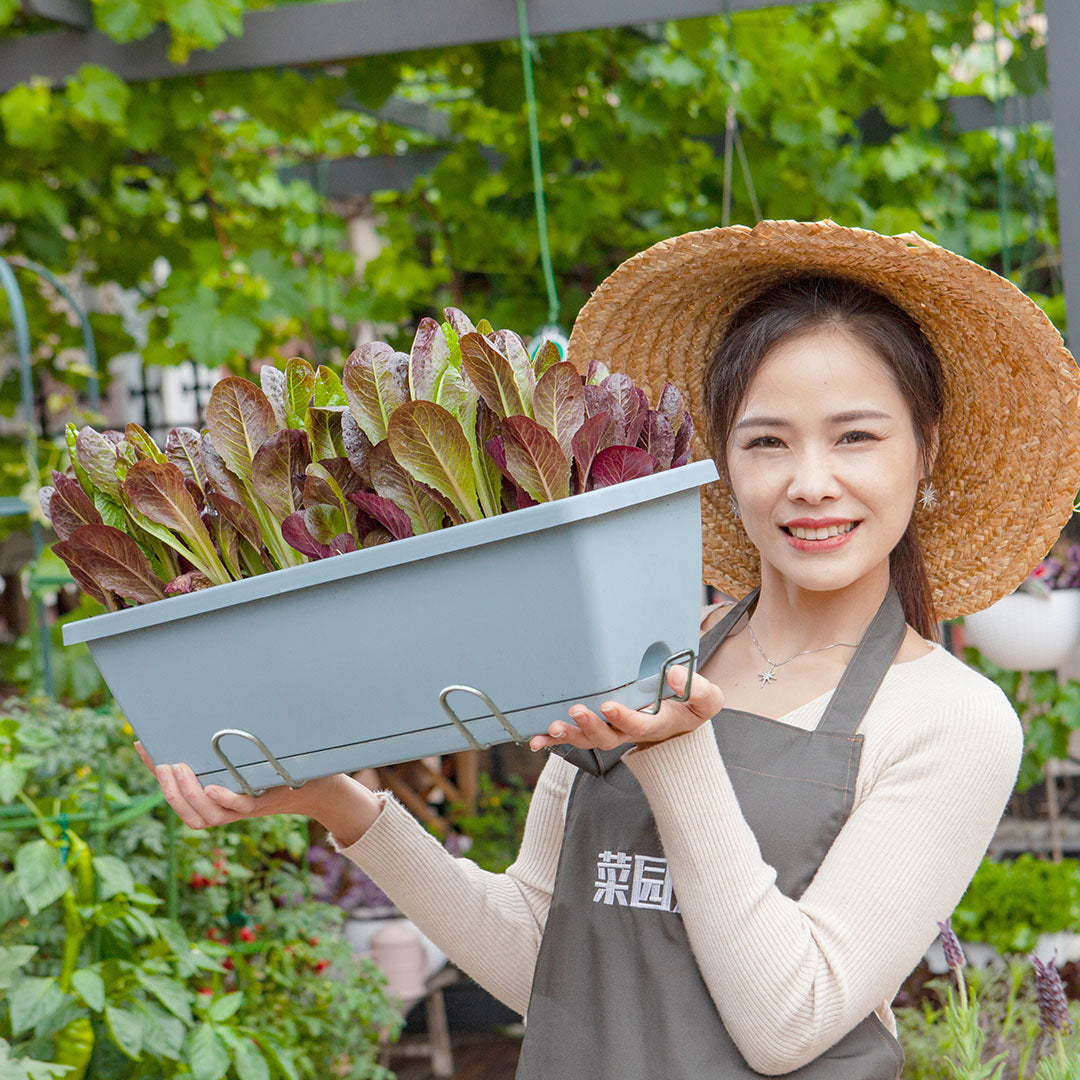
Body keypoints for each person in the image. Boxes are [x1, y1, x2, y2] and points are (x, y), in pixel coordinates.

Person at [138, 220, 1080, 1078]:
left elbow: (790, 1020)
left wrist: (677, 757)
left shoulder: (952, 721)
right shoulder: (641, 649)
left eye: (857, 437)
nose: (810, 482)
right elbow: (538, 955)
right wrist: (340, 804)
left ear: (926, 449)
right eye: (767, 442)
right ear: (722, 460)